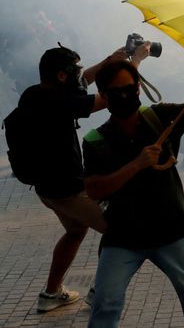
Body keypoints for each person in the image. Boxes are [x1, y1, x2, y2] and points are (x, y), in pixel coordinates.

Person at [83, 60, 184, 328]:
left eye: (130, 88)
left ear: (139, 87)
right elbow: (93, 190)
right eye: (115, 92)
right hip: (123, 235)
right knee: (105, 303)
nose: (125, 96)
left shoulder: (161, 118)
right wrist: (135, 165)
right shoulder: (95, 139)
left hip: (171, 229)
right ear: (103, 96)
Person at [19, 44, 148, 313]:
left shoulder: (35, 94)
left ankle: (51, 294)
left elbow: (82, 81)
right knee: (120, 232)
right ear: (61, 76)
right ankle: (100, 292)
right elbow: (115, 97)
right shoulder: (59, 102)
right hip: (68, 190)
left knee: (76, 231)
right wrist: (133, 63)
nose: (80, 75)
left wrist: (109, 61)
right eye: (73, 71)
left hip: (47, 188)